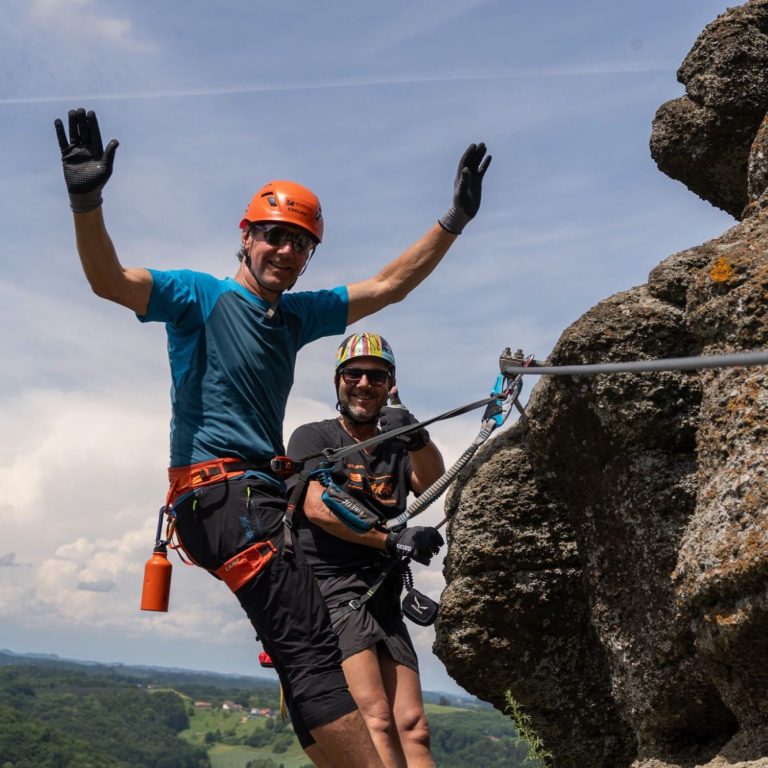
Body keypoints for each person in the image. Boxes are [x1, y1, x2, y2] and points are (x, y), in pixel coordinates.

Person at [54, 107, 490, 768]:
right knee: (314, 653)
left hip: (240, 502)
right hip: (223, 494)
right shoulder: (197, 297)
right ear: (246, 236)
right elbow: (108, 281)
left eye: (300, 242)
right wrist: (87, 200)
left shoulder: (296, 316)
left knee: (302, 652)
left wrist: (452, 221)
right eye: (273, 236)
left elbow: (389, 285)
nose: (285, 251)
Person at [286, 332, 446, 768]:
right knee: (374, 718)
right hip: (333, 590)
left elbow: (431, 481)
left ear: (389, 385)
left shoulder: (398, 443)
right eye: (352, 374)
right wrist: (392, 539)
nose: (363, 384)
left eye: (375, 376)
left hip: (383, 593)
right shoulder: (312, 438)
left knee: (413, 724)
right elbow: (317, 507)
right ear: (338, 381)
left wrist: (416, 439)